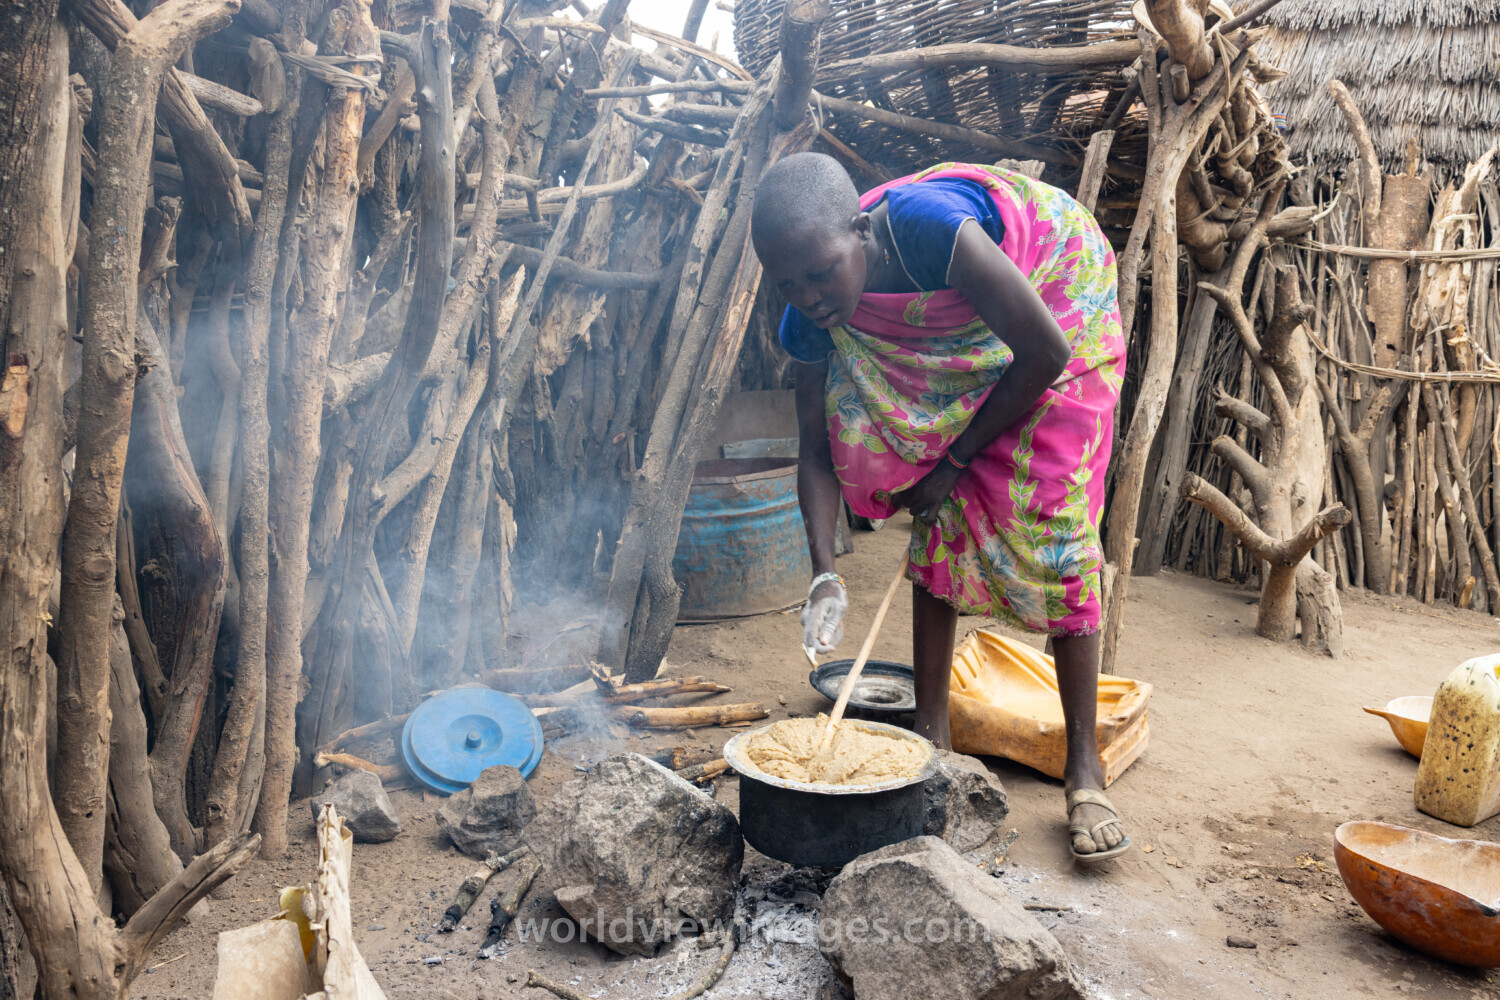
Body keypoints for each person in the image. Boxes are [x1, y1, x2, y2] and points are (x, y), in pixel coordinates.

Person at [750, 153, 1129, 862]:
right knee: (930, 510)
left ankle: (1085, 768)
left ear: (861, 232)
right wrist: (823, 571)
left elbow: (1043, 351)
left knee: (1054, 519)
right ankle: (931, 733)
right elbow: (813, 449)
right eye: (788, 283)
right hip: (975, 344)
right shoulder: (809, 318)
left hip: (1052, 296)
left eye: (823, 271)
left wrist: (953, 460)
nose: (810, 296)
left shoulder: (931, 233)